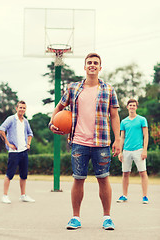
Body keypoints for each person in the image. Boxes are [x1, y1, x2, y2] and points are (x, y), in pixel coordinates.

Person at [49, 53, 120, 230]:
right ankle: (75, 218)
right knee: (78, 179)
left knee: (103, 179)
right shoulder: (73, 88)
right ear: (85, 66)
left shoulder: (109, 89)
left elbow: (114, 115)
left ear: (100, 68)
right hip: (79, 142)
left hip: (101, 142)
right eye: (89, 62)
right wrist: (52, 122)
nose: (92, 65)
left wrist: (117, 139)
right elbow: (59, 106)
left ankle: (107, 217)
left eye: (96, 63)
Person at [0, 100, 35, 204]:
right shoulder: (11, 119)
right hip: (14, 152)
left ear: (25, 109)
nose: (22, 109)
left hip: (24, 151)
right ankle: (4, 196)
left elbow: (30, 133)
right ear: (16, 108)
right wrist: (8, 144)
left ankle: (23, 195)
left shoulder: (26, 121)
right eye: (20, 107)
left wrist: (28, 144)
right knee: (9, 174)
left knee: (24, 175)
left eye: (24, 108)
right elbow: (1, 130)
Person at [117, 99, 149, 204]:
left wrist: (145, 150)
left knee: (142, 172)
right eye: (130, 105)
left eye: (134, 105)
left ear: (136, 107)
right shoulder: (124, 121)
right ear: (127, 107)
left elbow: (146, 135)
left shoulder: (142, 120)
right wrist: (120, 152)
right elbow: (122, 137)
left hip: (139, 150)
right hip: (126, 150)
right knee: (125, 173)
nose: (132, 107)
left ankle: (145, 196)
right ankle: (124, 196)